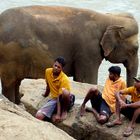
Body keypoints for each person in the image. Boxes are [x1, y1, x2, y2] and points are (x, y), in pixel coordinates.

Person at [35, 56, 75, 123]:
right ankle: (52, 115)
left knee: (65, 92)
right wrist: (45, 94)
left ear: (62, 69)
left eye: (58, 67)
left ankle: (64, 111)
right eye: (55, 65)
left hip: (64, 99)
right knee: (38, 116)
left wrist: (58, 114)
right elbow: (48, 85)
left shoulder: (64, 79)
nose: (56, 68)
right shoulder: (48, 71)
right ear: (53, 64)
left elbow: (59, 97)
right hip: (54, 100)